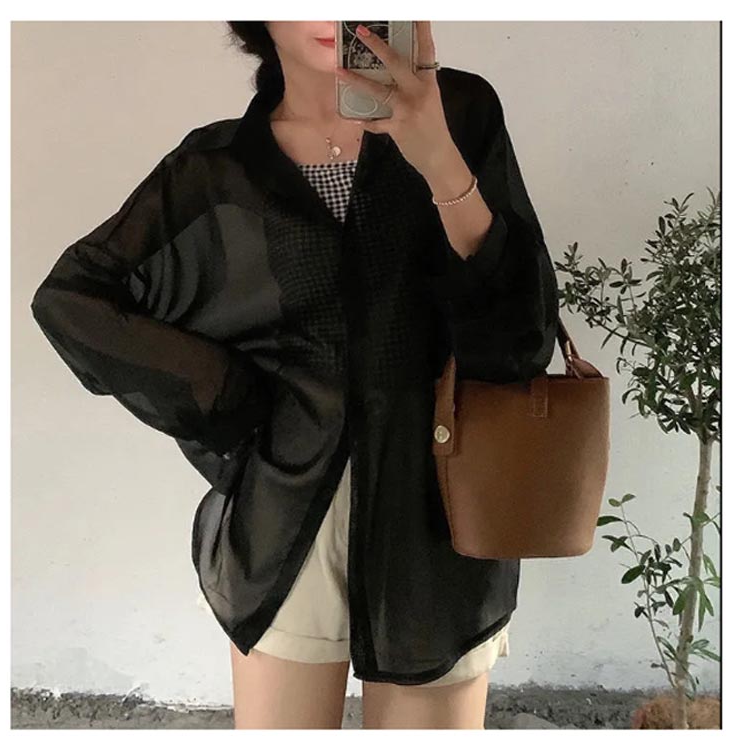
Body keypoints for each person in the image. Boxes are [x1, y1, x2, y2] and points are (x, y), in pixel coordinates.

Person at [31, 20, 558, 729]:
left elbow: (521, 342)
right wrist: (233, 399)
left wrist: (438, 160)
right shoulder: (219, 165)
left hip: (436, 520)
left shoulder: (460, 113)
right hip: (286, 527)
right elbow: (73, 299)